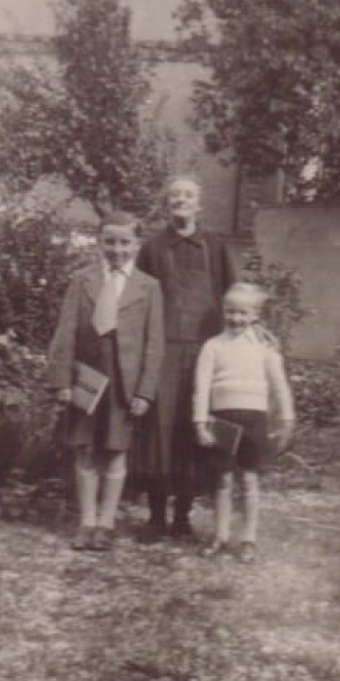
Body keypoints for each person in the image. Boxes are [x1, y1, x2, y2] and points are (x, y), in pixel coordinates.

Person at [49, 211, 164, 551]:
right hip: (88, 378)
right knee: (85, 448)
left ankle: (107, 522)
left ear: (137, 245)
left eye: (125, 242)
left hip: (124, 384)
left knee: (116, 451)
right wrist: (62, 381)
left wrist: (145, 390)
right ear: (99, 243)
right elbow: (65, 332)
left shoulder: (149, 286)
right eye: (109, 241)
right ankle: (86, 522)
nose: (117, 249)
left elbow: (154, 344)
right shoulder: (82, 281)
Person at [135, 176, 238, 540]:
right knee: (157, 435)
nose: (181, 200)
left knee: (193, 432)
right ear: (167, 204)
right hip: (161, 351)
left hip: (203, 352)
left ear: (199, 205)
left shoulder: (215, 245)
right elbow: (138, 299)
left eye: (188, 195)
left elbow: (234, 297)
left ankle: (183, 515)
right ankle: (156, 516)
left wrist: (249, 337)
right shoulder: (151, 248)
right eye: (174, 195)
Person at [193, 282, 295, 563]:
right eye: (230, 312)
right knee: (223, 481)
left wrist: (287, 418)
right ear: (223, 312)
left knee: (249, 481)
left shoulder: (265, 349)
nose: (236, 318)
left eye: (243, 313)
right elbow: (201, 388)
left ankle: (248, 538)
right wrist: (201, 423)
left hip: (254, 421)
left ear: (255, 316)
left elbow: (279, 386)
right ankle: (220, 535)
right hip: (222, 422)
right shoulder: (213, 346)